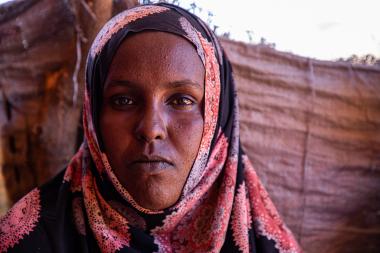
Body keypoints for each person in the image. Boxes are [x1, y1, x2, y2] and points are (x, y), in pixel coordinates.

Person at [0, 3, 302, 253]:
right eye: (123, 100)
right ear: (93, 118)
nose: (151, 129)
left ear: (216, 118)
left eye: (181, 100)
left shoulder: (263, 241)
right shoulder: (27, 240)